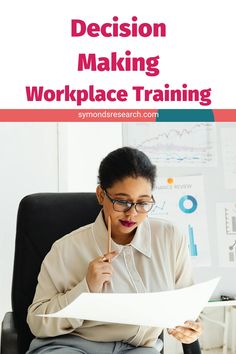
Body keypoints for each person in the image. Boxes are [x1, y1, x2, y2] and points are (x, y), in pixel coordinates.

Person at [26, 147, 202, 354]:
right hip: (71, 346)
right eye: (122, 201)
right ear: (101, 195)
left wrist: (189, 328)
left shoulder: (170, 238)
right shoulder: (66, 248)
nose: (132, 213)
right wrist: (86, 289)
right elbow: (37, 322)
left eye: (143, 203)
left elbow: (186, 310)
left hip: (137, 349)